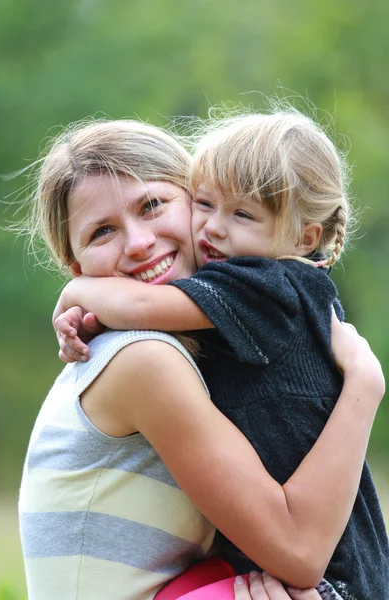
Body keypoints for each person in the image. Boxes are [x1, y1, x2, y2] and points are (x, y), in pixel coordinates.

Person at [19, 119, 384, 600]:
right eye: (102, 232)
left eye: (152, 205)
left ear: (190, 193)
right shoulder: (144, 357)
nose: (138, 243)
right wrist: (364, 384)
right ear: (77, 263)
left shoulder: (231, 314)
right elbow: (297, 554)